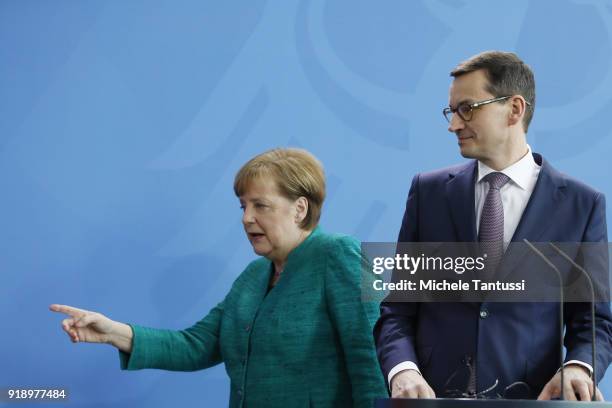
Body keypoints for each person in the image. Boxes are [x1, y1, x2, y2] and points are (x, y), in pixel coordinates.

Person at [50, 148, 387, 408]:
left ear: (299, 208)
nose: (246, 218)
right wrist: (113, 332)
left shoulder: (342, 254)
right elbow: (197, 345)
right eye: (242, 206)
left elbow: (370, 358)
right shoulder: (254, 276)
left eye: (260, 206)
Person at [374, 51, 612, 400]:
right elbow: (397, 310)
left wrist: (578, 366)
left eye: (467, 108)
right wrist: (402, 370)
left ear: (515, 109)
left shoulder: (582, 205)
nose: (453, 124)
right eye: (451, 111)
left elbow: (594, 323)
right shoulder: (428, 194)